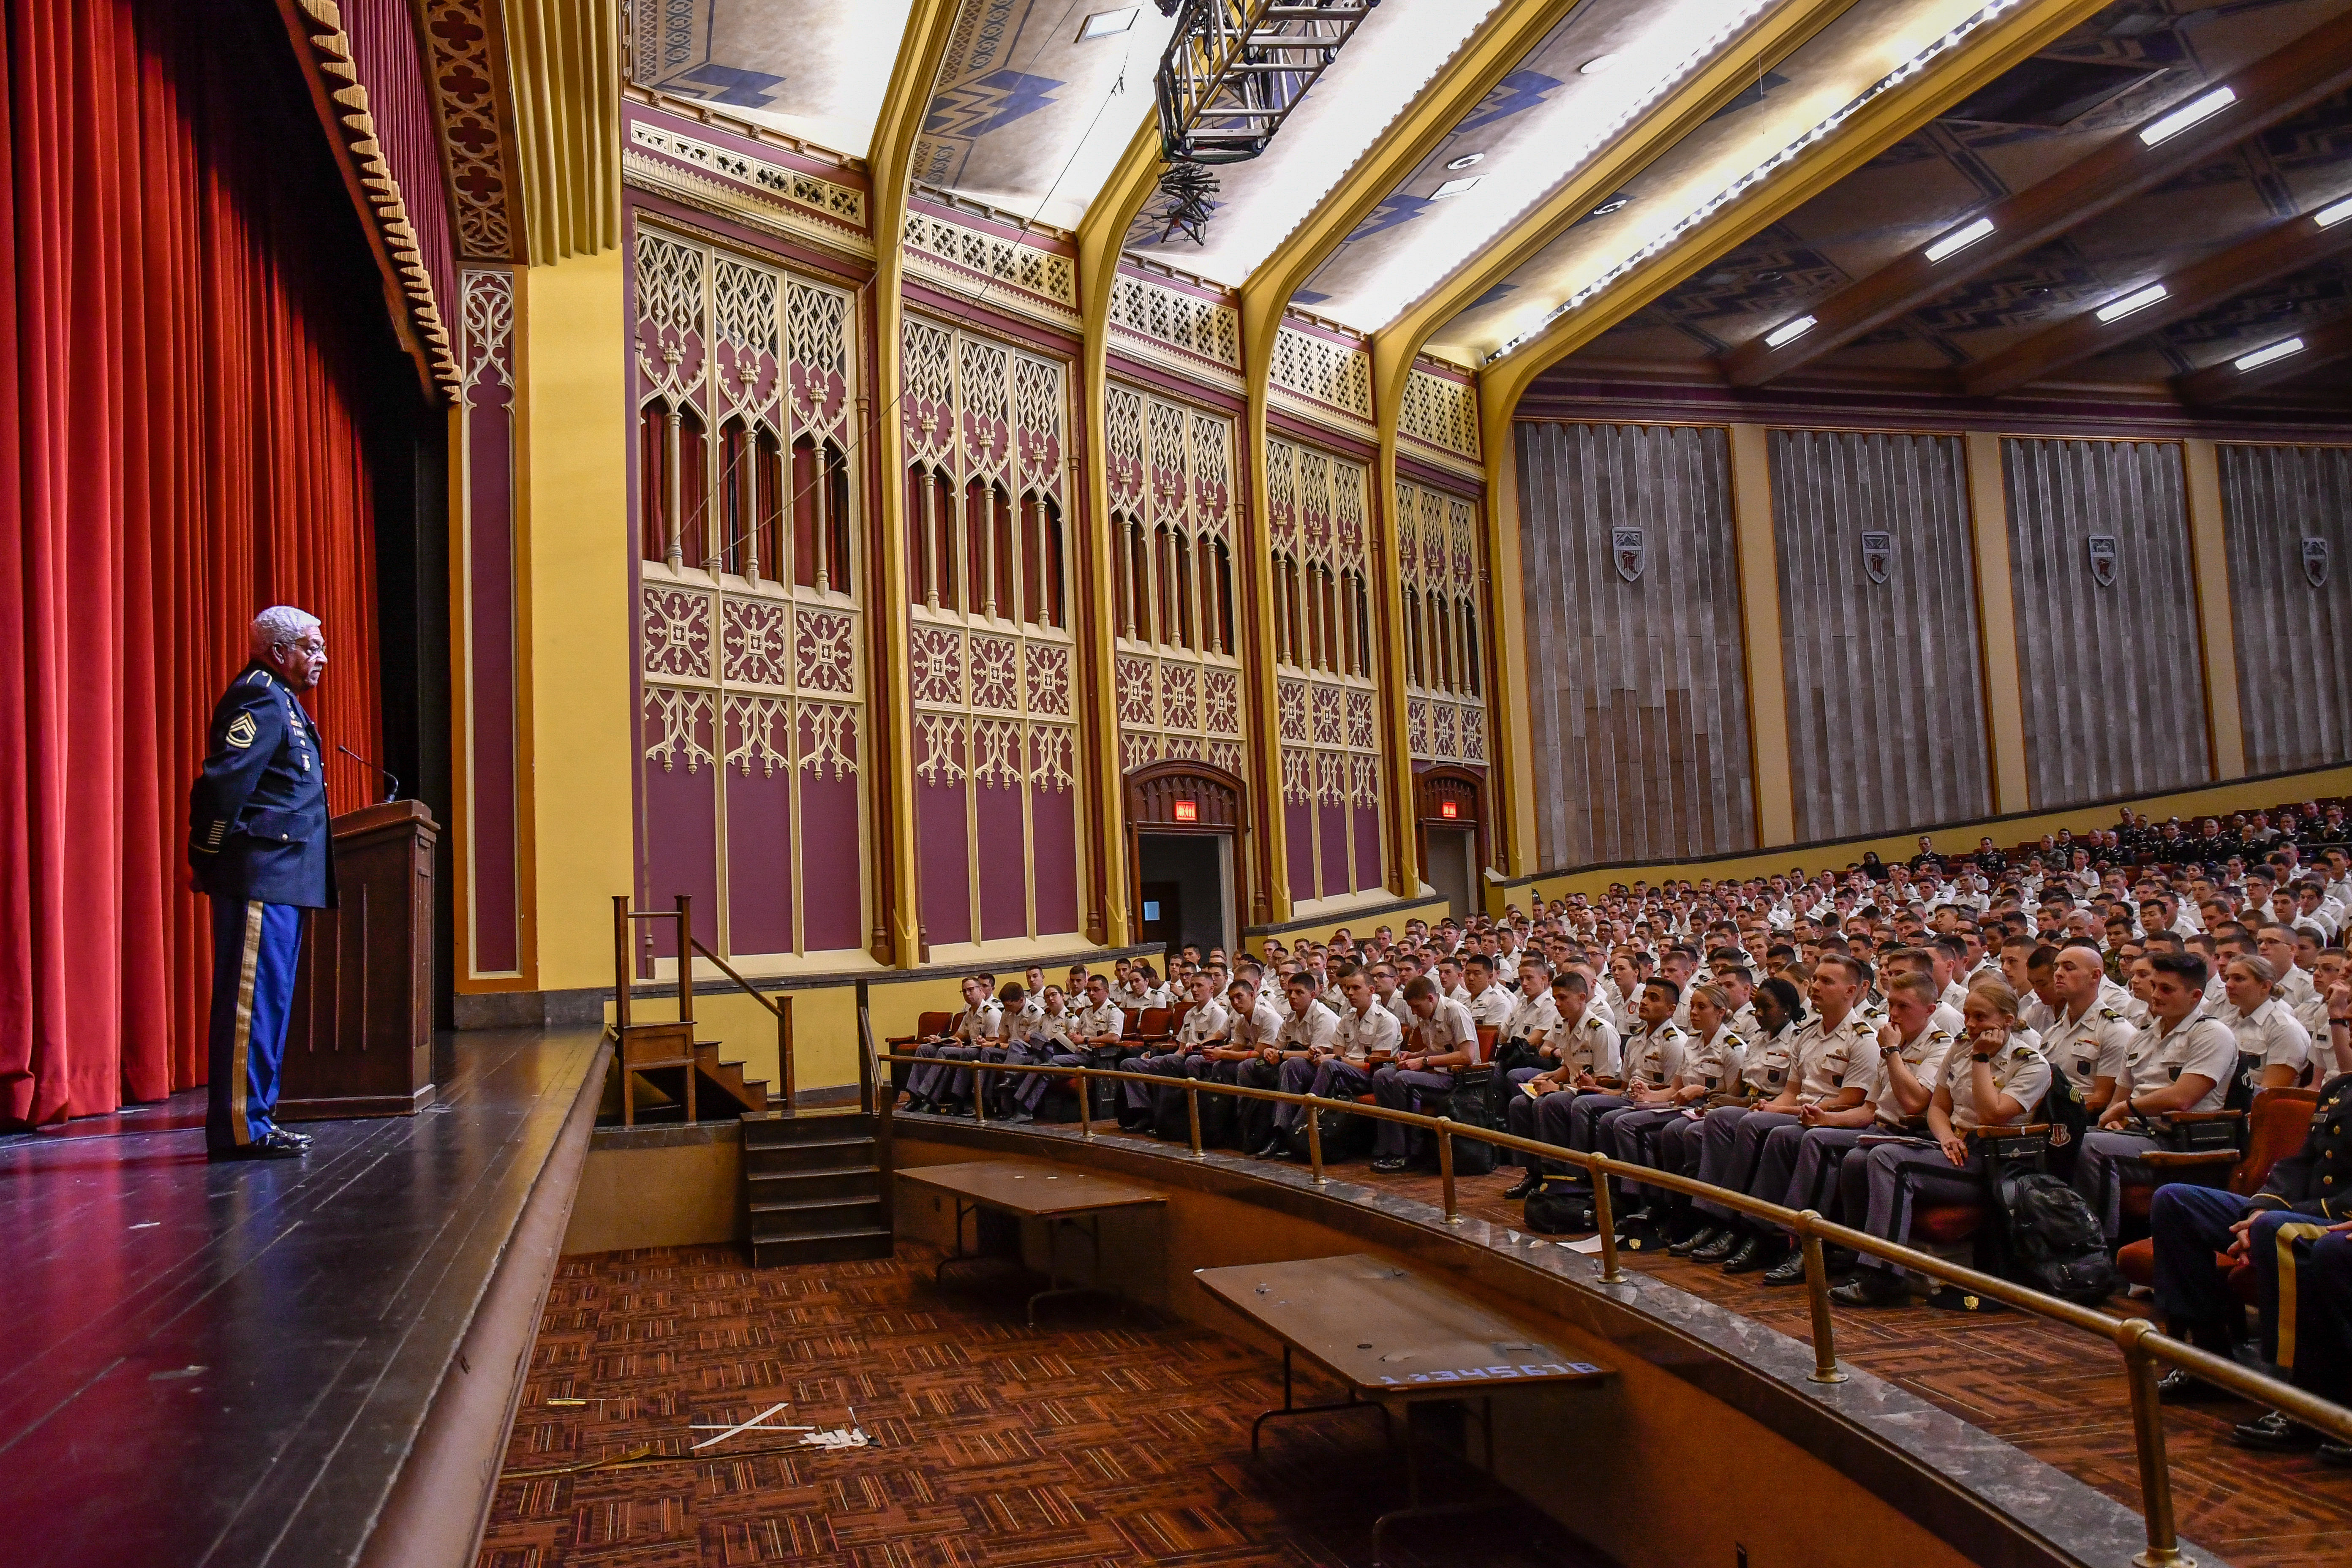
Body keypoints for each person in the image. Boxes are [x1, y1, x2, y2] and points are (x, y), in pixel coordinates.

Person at [188, 607, 338, 1161]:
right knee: (249, 1004)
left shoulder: (283, 700)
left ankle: (257, 1118)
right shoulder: (258, 696)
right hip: (260, 874)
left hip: (284, 876)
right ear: (279, 653)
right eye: (312, 647)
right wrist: (205, 856)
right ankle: (240, 1126)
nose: (322, 659)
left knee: (269, 1002)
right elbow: (223, 787)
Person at [2147, 1069, 2352, 1461]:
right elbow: (2299, 1164)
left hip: (2334, 1216)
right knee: (2175, 1201)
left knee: (2279, 1231)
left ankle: (2299, 1397)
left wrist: (2270, 1220)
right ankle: (2205, 1361)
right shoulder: (2340, 1088)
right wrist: (2259, 1209)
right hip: (2297, 1210)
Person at [1831, 980, 2051, 1305]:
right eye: (1967, 1015)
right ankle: (1860, 1259)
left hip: (1996, 1164)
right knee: (1856, 1159)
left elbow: (1992, 1114)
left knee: (1889, 1159)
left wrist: (1981, 1059)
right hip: (1955, 1148)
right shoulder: (1961, 1046)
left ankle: (1885, 1277)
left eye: (1981, 1016)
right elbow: (1938, 1108)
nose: (1972, 1025)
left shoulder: (2031, 1064)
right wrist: (1946, 1137)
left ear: (2007, 1020)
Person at [2073, 951, 2241, 1242]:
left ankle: (2099, 1247)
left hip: (2184, 1141)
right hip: (2138, 1134)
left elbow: (2184, 1098)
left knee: (2091, 1147)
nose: (2156, 995)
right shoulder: (2142, 1036)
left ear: (2195, 995)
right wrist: (2115, 1118)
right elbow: (2118, 1098)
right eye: (2155, 986)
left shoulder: (2213, 1034)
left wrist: (2123, 1110)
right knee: (2064, 1139)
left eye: (2167, 989)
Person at [1369, 977, 1480, 1173]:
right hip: (1436, 1073)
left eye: (1416, 1007)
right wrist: (1416, 1055)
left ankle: (1412, 1152)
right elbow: (1437, 1049)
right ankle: (1391, 1147)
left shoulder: (1455, 1011)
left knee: (1405, 1080)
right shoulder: (1424, 1014)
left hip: (1459, 1078)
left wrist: (1423, 1062)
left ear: (1431, 998)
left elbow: (1467, 1056)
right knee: (1383, 1076)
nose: (1414, 1012)